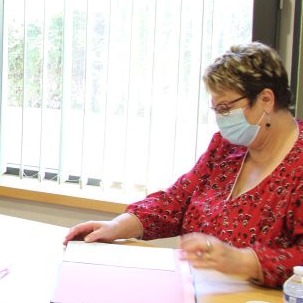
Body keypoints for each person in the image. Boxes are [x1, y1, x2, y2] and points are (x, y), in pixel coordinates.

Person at [63, 42, 303, 288]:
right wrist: (117, 226)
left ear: (265, 99)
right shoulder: (227, 147)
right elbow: (178, 200)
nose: (221, 119)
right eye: (216, 109)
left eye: (226, 108)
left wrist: (245, 261)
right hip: (200, 296)